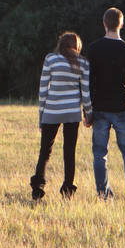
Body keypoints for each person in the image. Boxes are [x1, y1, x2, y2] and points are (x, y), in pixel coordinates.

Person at [87, 7, 125, 201]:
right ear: (121, 24)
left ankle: (104, 194)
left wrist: (87, 111)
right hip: (122, 108)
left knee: (100, 153)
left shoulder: (93, 49)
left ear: (104, 24)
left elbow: (89, 82)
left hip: (100, 108)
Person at [30, 32, 92, 200]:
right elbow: (85, 93)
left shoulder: (50, 59)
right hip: (72, 113)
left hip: (51, 111)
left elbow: (43, 90)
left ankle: (38, 188)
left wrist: (41, 115)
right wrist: (89, 114)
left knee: (45, 151)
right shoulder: (83, 63)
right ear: (77, 46)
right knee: (69, 152)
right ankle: (67, 190)